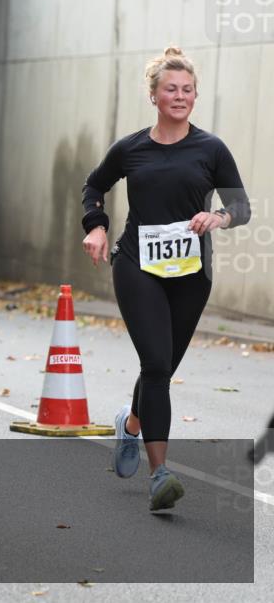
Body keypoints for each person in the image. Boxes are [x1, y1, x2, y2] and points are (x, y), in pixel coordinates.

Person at [81, 46, 250, 512]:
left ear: (195, 97)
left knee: (163, 368)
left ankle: (131, 424)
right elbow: (94, 186)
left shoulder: (211, 148)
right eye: (170, 89)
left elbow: (241, 207)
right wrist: (96, 226)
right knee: (156, 366)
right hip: (137, 264)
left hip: (191, 273)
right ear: (154, 95)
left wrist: (218, 218)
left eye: (187, 90)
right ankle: (160, 475)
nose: (179, 96)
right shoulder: (131, 148)